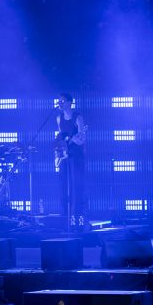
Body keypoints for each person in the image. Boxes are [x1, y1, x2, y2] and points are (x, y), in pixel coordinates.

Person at [55, 92, 87, 226]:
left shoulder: (78, 117)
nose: (60, 103)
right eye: (59, 101)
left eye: (62, 101)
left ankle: (78, 214)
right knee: (63, 183)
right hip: (64, 155)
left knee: (76, 184)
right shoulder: (58, 118)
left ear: (69, 102)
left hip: (76, 155)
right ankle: (65, 214)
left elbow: (82, 138)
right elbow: (60, 136)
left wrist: (72, 139)